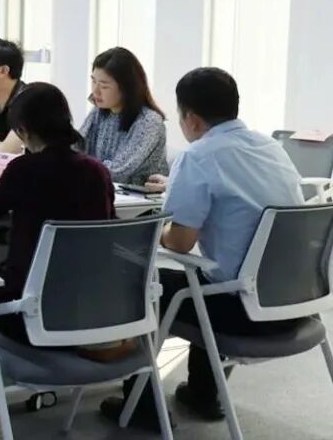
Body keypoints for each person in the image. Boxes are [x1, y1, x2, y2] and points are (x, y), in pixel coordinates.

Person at [100, 68, 306, 432]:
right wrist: (178, 185)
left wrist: (156, 231)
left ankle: (143, 405)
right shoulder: (271, 148)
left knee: (148, 283)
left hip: (245, 313)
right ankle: (202, 393)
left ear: (191, 119)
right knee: (206, 276)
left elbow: (180, 242)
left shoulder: (198, 157)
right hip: (296, 302)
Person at [0, 82, 116, 438]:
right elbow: (107, 229)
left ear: (24, 130)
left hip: (30, 315)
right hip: (90, 315)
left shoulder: (23, 169)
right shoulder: (97, 172)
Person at [80, 47, 168, 185]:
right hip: (104, 189)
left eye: (104, 86)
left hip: (138, 196)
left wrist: (75, 167)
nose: (95, 91)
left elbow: (118, 172)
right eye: (93, 81)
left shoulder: (149, 122)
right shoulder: (99, 111)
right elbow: (76, 148)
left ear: (126, 88)